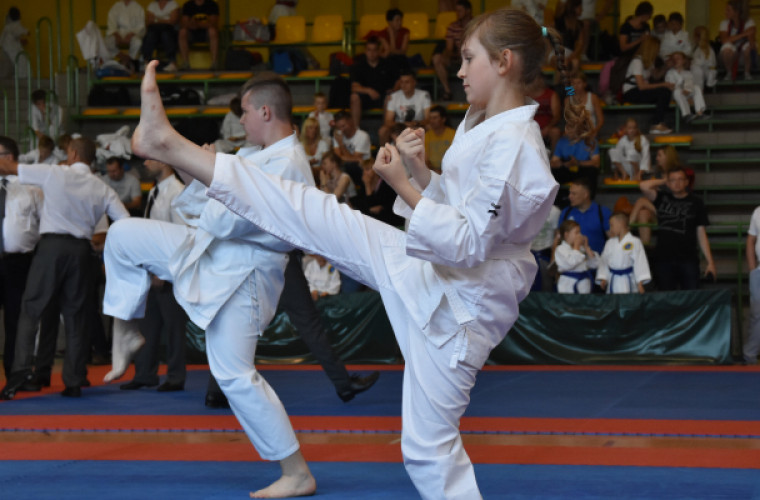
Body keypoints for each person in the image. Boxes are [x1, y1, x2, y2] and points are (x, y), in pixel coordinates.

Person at [127, 8, 587, 497]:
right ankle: (171, 145)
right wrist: (420, 172)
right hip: (433, 272)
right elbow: (460, 207)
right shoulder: (483, 123)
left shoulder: (519, 147)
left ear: (504, 62)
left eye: (467, 58)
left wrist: (402, 186)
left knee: (428, 449)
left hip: (460, 309)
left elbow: (468, 243)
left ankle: (170, 145)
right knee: (312, 212)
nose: (457, 70)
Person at [103, 72, 317, 498]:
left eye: (244, 112)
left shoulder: (290, 163)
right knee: (121, 236)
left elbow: (240, 219)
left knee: (234, 374)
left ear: (265, 111)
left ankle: (296, 473)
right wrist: (207, 171)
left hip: (246, 275)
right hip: (211, 251)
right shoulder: (255, 155)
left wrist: (209, 171)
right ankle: (125, 328)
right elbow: (210, 209)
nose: (241, 121)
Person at [0, 137, 129, 399]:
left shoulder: (54, 174)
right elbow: (125, 221)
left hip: (52, 249)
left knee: (31, 309)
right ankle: (73, 380)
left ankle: (19, 374)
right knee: (76, 316)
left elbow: (10, 168)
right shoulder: (101, 187)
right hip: (82, 251)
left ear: (71, 153)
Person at [119, 159, 189, 392]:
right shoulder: (155, 192)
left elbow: (181, 237)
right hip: (151, 270)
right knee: (148, 326)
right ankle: (145, 373)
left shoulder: (177, 192)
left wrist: (165, 272)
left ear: (166, 162)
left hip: (169, 273)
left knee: (174, 327)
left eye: (151, 159)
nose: (146, 163)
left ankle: (176, 376)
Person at [0, 136, 42, 380]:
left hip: (20, 262)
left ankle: (15, 375)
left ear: (9, 157)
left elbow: (45, 225)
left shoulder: (31, 188)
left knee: (17, 320)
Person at [638, 166, 716, 290]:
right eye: (673, 180)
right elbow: (643, 186)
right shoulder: (661, 198)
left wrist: (710, 261)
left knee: (691, 298)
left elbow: (701, 234)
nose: (677, 183)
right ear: (668, 183)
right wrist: (664, 180)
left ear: (687, 182)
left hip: (688, 259)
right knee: (666, 299)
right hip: (663, 259)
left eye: (681, 179)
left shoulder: (697, 202)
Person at [622, 36, 674, 134]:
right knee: (663, 92)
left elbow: (656, 76)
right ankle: (656, 124)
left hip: (641, 90)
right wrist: (663, 84)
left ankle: (659, 122)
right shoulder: (637, 62)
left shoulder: (650, 61)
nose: (658, 51)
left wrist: (666, 67)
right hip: (632, 92)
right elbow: (641, 86)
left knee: (665, 92)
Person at [629, 144, 678, 245]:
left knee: (641, 201)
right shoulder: (659, 174)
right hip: (658, 209)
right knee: (642, 213)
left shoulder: (677, 174)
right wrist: (663, 181)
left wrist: (659, 183)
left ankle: (627, 228)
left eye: (659, 155)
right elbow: (647, 187)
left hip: (673, 210)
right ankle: (645, 249)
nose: (657, 158)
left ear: (667, 156)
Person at [349, 37, 399, 127]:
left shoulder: (387, 64)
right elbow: (354, 87)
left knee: (390, 98)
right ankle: (356, 132)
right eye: (369, 50)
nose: (372, 53)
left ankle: (386, 130)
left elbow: (398, 81)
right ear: (365, 51)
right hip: (365, 98)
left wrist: (394, 90)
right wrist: (369, 91)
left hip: (383, 96)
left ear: (379, 51)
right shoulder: (358, 66)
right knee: (354, 97)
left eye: (374, 50)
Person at [596, 212, 651, 293]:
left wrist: (640, 283)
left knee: (628, 303)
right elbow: (604, 261)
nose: (610, 229)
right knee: (613, 303)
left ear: (620, 225)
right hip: (613, 280)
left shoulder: (635, 241)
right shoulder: (609, 243)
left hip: (628, 280)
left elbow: (640, 262)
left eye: (612, 225)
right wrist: (604, 278)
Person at [431, 0, 473, 100]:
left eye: (460, 11)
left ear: (468, 11)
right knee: (437, 58)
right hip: (457, 58)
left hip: (472, 58)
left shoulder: (476, 25)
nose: (457, 13)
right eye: (456, 11)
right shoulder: (453, 26)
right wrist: (450, 55)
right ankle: (447, 91)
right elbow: (449, 48)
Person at [558, 177, 611, 255]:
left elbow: (613, 240)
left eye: (574, 193)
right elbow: (558, 239)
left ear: (585, 195)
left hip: (596, 262)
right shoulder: (566, 212)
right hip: (570, 263)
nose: (570, 196)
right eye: (570, 193)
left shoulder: (603, 213)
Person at [379, 70, 431, 145]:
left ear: (414, 82)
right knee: (383, 130)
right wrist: (404, 124)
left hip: (418, 125)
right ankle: (385, 154)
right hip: (399, 127)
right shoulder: (393, 97)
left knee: (430, 127)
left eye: (407, 82)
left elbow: (428, 119)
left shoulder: (424, 95)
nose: (403, 85)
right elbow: (388, 121)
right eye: (401, 82)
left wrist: (416, 123)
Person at [550, 112, 600, 189]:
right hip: (566, 168)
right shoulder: (562, 141)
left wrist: (578, 163)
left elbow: (596, 162)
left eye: (571, 127)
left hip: (582, 168)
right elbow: (553, 162)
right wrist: (563, 164)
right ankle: (559, 199)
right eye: (567, 126)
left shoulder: (590, 141)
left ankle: (588, 199)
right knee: (553, 172)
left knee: (592, 171)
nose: (568, 129)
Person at [555, 219, 599, 293]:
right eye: (577, 233)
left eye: (580, 232)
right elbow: (570, 263)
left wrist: (587, 248)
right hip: (568, 285)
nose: (580, 235)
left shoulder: (581, 248)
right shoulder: (560, 249)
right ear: (566, 235)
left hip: (584, 283)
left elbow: (594, 265)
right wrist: (576, 247)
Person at [358, 158, 404, 227]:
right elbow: (366, 208)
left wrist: (382, 207)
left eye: (367, 169)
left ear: (376, 170)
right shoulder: (364, 184)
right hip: (374, 222)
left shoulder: (387, 184)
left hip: (391, 220)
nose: (364, 173)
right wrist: (367, 186)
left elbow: (393, 206)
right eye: (363, 170)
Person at [719, 0, 756, 81]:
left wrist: (733, 38)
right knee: (726, 49)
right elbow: (724, 40)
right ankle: (729, 72)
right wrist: (743, 34)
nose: (725, 12)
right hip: (730, 57)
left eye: (728, 10)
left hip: (744, 56)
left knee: (747, 47)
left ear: (736, 12)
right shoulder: (724, 23)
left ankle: (747, 73)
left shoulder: (749, 22)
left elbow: (752, 43)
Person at [666, 51, 707, 123]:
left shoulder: (688, 73)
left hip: (686, 93)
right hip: (675, 94)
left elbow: (689, 84)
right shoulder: (670, 73)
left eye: (678, 58)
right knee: (677, 92)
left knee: (696, 87)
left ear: (683, 61)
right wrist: (682, 89)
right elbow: (671, 86)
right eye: (674, 59)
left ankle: (699, 112)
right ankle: (686, 114)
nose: (676, 60)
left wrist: (687, 89)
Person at [178, 0, 219, 70]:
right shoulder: (188, 5)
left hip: (206, 33)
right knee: (182, 32)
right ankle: (185, 63)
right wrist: (192, 24)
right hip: (192, 33)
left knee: (212, 31)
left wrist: (197, 24)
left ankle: (214, 63)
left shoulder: (212, 4)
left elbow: (213, 23)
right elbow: (184, 23)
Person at [105, 0, 145, 71]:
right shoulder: (116, 6)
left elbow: (141, 26)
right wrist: (117, 35)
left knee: (138, 42)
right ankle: (124, 58)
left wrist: (131, 34)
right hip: (119, 32)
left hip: (133, 33)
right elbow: (111, 24)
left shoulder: (138, 8)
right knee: (107, 42)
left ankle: (128, 61)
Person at [142, 0, 180, 72]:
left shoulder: (173, 4)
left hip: (169, 30)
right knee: (150, 36)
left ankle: (172, 63)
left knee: (166, 35)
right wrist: (165, 20)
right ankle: (147, 62)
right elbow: (149, 21)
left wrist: (157, 20)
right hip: (154, 30)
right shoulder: (152, 5)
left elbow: (173, 21)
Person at [527, 74, 562, 151]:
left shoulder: (551, 94)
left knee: (555, 132)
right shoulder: (526, 95)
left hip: (547, 127)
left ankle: (554, 158)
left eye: (540, 79)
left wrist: (548, 127)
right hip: (530, 127)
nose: (539, 82)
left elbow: (557, 115)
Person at [744, 205, 760, 364]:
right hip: (759, 271)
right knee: (757, 314)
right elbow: (751, 239)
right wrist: (752, 268)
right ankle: (750, 356)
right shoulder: (758, 211)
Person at [552, 0, 583, 75]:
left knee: (575, 63)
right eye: (580, 7)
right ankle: (558, 86)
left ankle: (570, 84)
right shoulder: (560, 20)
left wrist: (571, 57)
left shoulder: (579, 25)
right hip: (557, 51)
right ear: (574, 8)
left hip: (570, 53)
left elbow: (580, 44)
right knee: (563, 62)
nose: (582, 10)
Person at [570, 72, 604, 138]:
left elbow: (601, 120)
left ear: (584, 84)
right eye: (573, 83)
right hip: (575, 133)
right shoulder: (567, 100)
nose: (576, 86)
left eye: (579, 83)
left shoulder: (593, 97)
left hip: (590, 131)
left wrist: (595, 131)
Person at [424, 105, 456, 173]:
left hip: (450, 172)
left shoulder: (453, 134)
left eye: (435, 118)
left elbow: (456, 158)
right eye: (430, 118)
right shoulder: (427, 135)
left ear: (443, 119)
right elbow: (425, 160)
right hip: (432, 173)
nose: (432, 121)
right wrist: (435, 171)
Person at [0, 7, 28, 78]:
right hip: (7, 54)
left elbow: (12, 40)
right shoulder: (14, 26)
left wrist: (21, 41)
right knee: (22, 65)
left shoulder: (7, 29)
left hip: (4, 52)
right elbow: (24, 32)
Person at [692, 26, 718, 91]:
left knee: (696, 69)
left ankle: (699, 91)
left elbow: (710, 65)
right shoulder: (697, 48)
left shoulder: (708, 50)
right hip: (702, 72)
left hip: (707, 73)